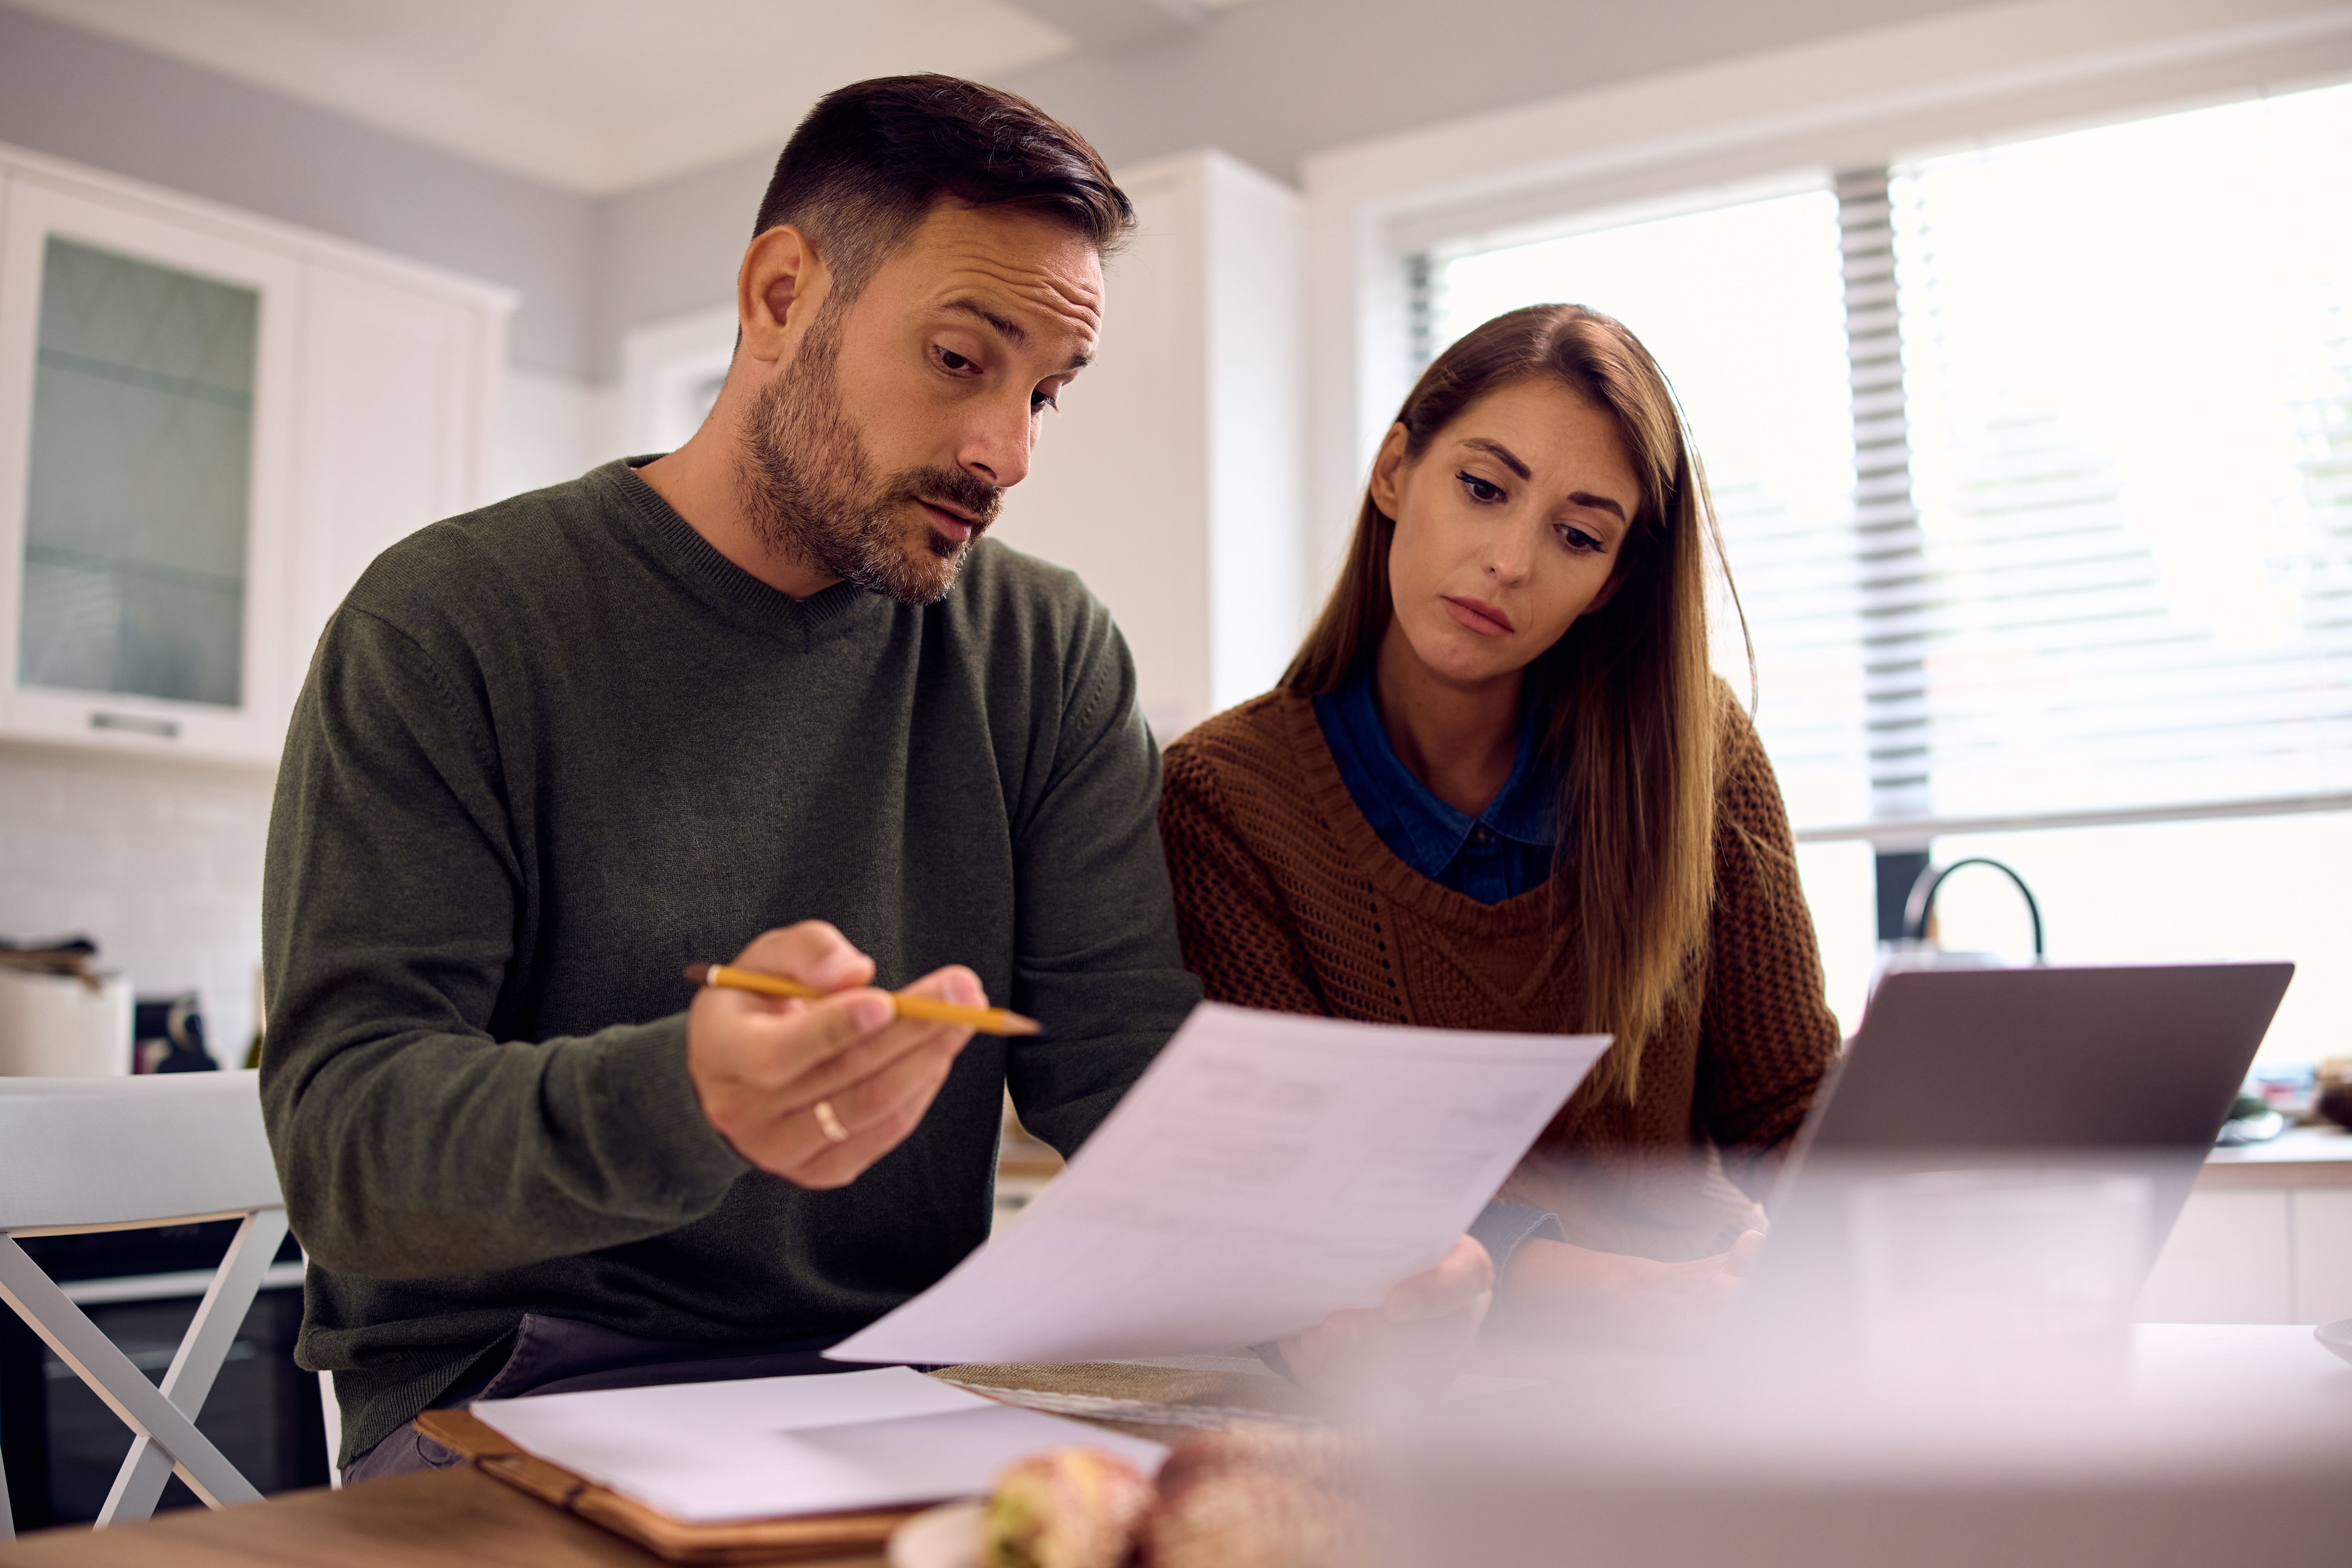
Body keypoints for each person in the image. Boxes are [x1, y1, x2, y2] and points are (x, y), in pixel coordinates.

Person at [264, 74, 1486, 1481]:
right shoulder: (449, 624)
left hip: (900, 1396)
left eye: (1046, 390)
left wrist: (1329, 1267)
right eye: (964, 360)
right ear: (782, 296)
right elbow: (348, 1155)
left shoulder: (1044, 647)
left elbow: (1125, 1067)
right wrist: (689, 1100)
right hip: (504, 1401)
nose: (1008, 451)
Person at [1157, 304, 1843, 1347]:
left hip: (1711, 1356)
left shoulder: (1702, 755)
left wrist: (1867, 1224)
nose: (1511, 561)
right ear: (1396, 473)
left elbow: (1789, 1104)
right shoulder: (1224, 801)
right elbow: (1295, 1199)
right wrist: (1583, 1284)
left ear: (1610, 584)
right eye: (1483, 490)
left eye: (1577, 535)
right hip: (1420, 1383)